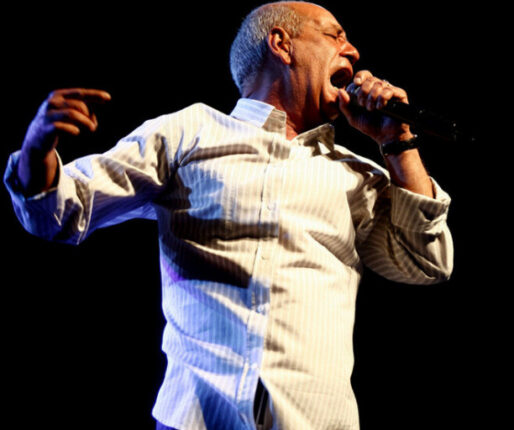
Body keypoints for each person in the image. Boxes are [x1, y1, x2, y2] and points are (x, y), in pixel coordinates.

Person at [3, 1, 453, 429]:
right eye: (335, 36)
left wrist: (398, 143)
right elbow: (61, 210)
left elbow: (425, 263)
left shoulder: (357, 175)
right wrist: (37, 150)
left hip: (313, 418)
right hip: (196, 415)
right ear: (282, 44)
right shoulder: (189, 131)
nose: (352, 51)